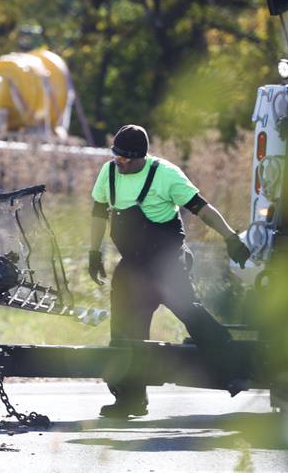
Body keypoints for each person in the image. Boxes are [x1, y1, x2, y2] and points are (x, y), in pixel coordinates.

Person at [88, 124, 251, 418]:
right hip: (133, 265)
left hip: (167, 264)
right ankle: (130, 399)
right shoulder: (109, 173)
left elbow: (203, 209)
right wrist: (92, 252)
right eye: (116, 156)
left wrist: (231, 238)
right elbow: (99, 212)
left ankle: (234, 370)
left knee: (193, 315)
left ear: (140, 157)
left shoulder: (166, 175)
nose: (119, 162)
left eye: (125, 158)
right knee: (124, 333)